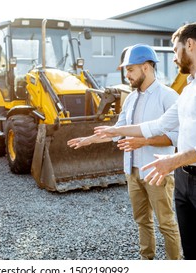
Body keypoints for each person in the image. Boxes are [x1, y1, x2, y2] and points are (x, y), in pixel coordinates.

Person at [94, 23, 196, 260]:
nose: (174, 58)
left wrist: (173, 160)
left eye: (175, 51)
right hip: (185, 180)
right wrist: (114, 130)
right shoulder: (190, 88)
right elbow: (159, 124)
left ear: (190, 45)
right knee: (193, 252)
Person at [68, 44, 181, 260]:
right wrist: (88, 140)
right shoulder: (130, 98)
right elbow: (117, 130)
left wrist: (142, 142)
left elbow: (176, 138)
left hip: (157, 172)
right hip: (132, 172)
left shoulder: (168, 96)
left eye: (130, 69)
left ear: (146, 67)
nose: (126, 75)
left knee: (166, 223)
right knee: (142, 221)